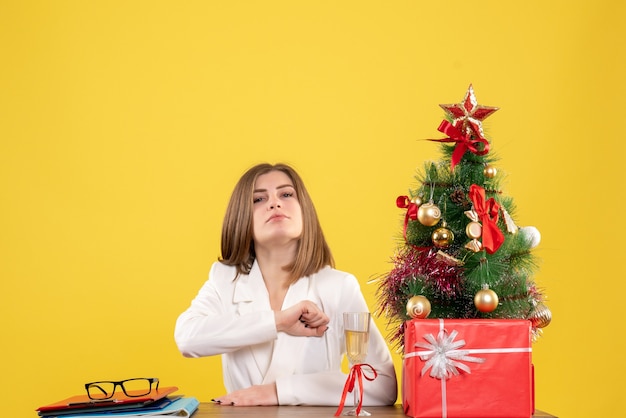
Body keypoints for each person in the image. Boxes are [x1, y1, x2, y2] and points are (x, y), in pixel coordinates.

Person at [174, 163, 397, 406]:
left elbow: (382, 384)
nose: (274, 203)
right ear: (241, 219)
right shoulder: (226, 279)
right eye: (258, 199)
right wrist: (278, 322)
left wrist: (279, 391)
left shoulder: (339, 286)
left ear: (304, 211)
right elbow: (187, 338)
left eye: (286, 194)